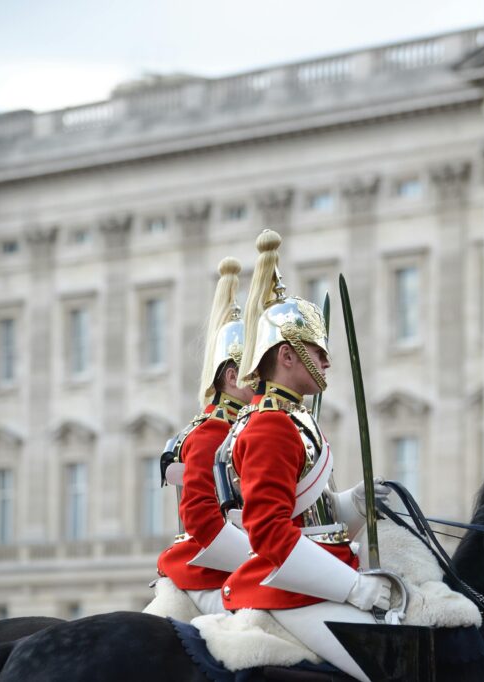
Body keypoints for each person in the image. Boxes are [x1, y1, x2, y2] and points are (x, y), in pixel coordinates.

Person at [216, 229, 392, 682]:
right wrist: (354, 588)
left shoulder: (294, 418)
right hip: (292, 590)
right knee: (395, 666)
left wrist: (360, 500)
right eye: (318, 350)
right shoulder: (272, 424)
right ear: (289, 357)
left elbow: (315, 514)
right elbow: (271, 533)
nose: (328, 359)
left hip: (317, 573)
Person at [152, 257, 256, 617]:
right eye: (253, 376)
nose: (262, 385)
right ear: (230, 378)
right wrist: (266, 558)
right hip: (207, 572)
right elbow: (200, 517)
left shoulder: (238, 428)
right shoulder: (214, 432)